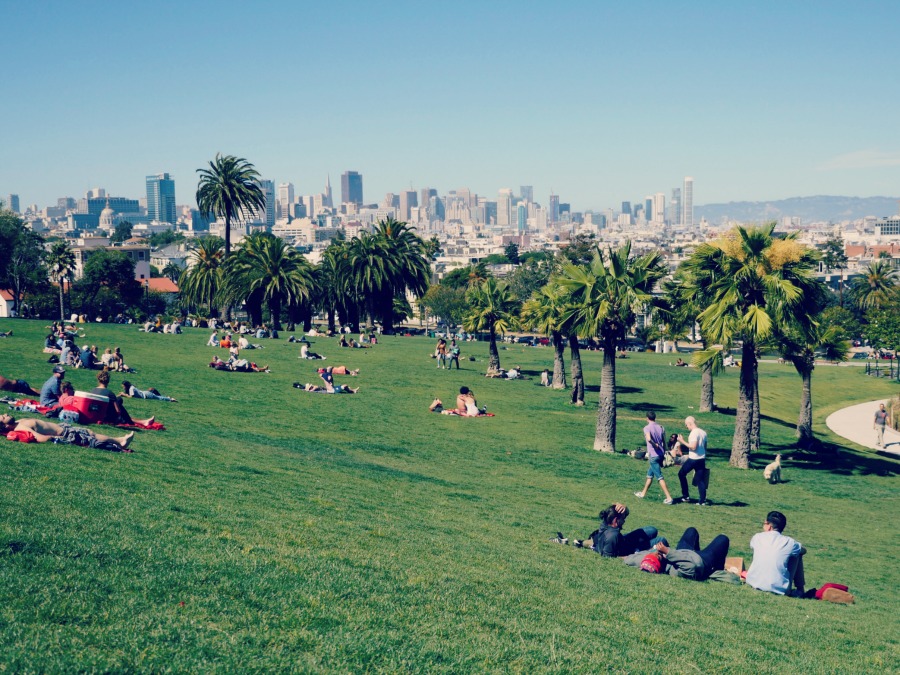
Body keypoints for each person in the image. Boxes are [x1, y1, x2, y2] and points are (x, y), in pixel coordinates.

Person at [746, 511, 807, 597]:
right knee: (797, 554)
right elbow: (804, 551)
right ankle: (800, 589)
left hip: (753, 582)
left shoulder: (757, 537)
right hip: (779, 589)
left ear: (769, 526)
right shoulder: (790, 542)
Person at [565, 504, 660, 557]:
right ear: (616, 520)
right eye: (622, 518)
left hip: (624, 540)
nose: (624, 520)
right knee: (661, 540)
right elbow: (608, 556)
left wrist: (621, 507)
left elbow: (613, 512)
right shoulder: (612, 536)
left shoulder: (605, 523)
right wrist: (638, 553)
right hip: (629, 548)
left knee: (652, 530)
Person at [0, 414, 134, 451]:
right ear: (4, 425)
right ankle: (119, 442)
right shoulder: (19, 428)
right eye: (2, 416)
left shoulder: (18, 422)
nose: (5, 413)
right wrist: (57, 439)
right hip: (64, 434)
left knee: (90, 432)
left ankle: (119, 441)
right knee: (91, 437)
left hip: (63, 428)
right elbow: (39, 437)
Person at [638, 527, 730, 581]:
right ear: (660, 564)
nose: (658, 553)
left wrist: (625, 556)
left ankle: (697, 550)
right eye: (658, 555)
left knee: (691, 530)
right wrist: (667, 552)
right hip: (701, 560)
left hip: (684, 551)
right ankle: (717, 568)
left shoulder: (648, 562)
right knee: (723, 539)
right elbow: (692, 565)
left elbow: (632, 559)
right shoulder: (675, 571)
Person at [634, 411, 675, 504]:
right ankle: (643, 493)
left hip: (653, 456)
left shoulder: (647, 428)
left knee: (659, 477)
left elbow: (649, 439)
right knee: (650, 475)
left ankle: (669, 498)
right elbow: (664, 441)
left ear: (647, 418)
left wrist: (654, 444)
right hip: (661, 454)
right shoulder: (661, 427)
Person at [676, 416, 709, 505]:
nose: (687, 427)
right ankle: (702, 501)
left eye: (686, 425)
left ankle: (685, 496)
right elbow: (705, 447)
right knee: (699, 479)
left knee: (681, 474)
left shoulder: (694, 433)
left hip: (694, 459)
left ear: (690, 423)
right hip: (701, 459)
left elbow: (693, 447)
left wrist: (682, 441)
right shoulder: (703, 432)